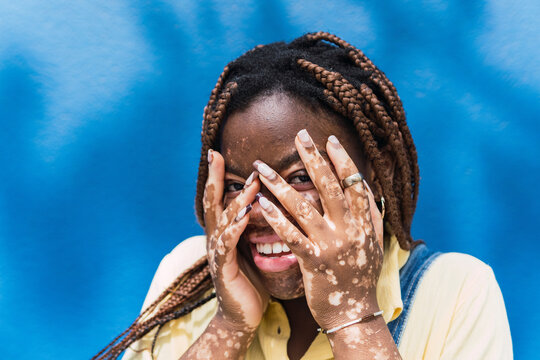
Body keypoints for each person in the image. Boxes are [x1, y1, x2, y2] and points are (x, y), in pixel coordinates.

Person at [93, 32, 512, 360]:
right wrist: (229, 326)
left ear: (377, 173)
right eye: (239, 186)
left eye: (298, 178)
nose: (264, 212)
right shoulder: (185, 273)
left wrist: (352, 316)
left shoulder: (457, 291)